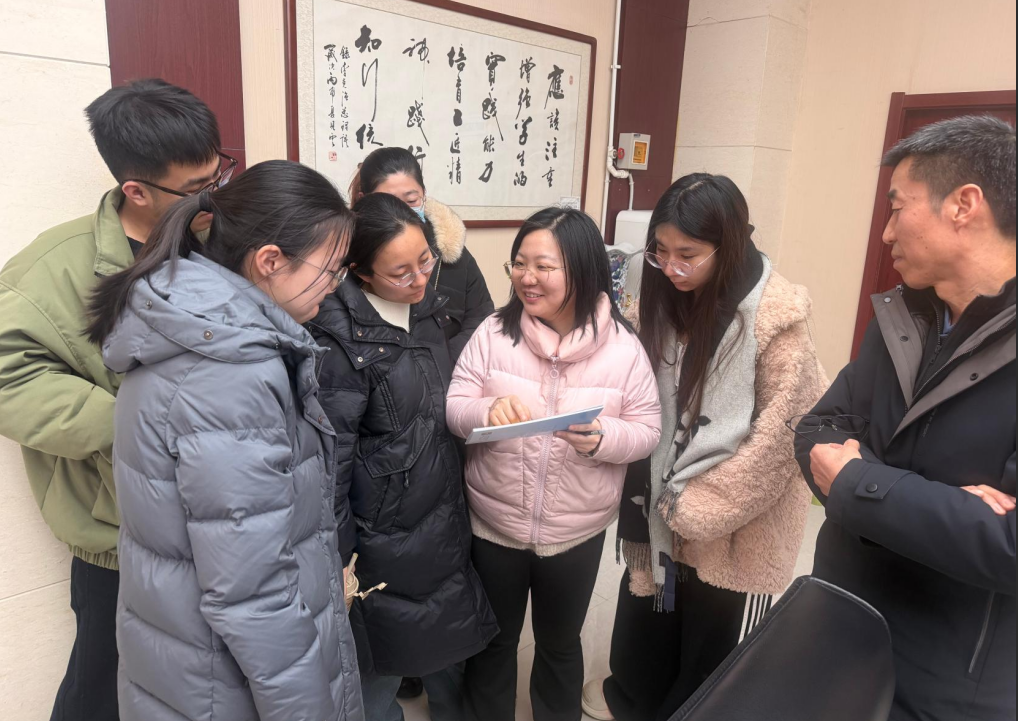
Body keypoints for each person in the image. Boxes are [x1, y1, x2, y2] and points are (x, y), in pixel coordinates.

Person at [83, 160, 364, 721]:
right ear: (270, 261)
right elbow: (252, 592)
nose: (336, 287)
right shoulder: (230, 374)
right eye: (330, 270)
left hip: (194, 667)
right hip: (225, 686)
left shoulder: (194, 327)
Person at [0, 78, 226, 721]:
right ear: (136, 190)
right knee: (102, 683)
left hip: (220, 518)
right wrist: (130, 422)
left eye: (219, 174)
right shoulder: (55, 267)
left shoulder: (221, 241)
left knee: (201, 683)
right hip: (120, 532)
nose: (214, 197)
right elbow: (8, 376)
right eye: (197, 187)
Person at [795, 115, 1016, 721]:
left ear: (964, 205)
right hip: (839, 624)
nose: (887, 232)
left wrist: (858, 481)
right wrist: (945, 509)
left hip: (947, 680)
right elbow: (817, 429)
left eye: (897, 208)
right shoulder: (905, 317)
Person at [582, 174, 825, 721]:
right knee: (649, 613)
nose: (671, 267)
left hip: (733, 519)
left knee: (711, 640)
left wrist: (702, 506)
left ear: (728, 244)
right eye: (661, 251)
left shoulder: (776, 320)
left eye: (687, 255)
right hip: (664, 504)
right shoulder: (664, 296)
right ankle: (636, 699)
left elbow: (782, 440)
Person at [446, 207, 662, 721]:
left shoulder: (624, 350)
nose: (527, 277)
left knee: (560, 644)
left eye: (543, 266)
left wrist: (604, 438)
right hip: (494, 523)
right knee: (494, 642)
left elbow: (648, 429)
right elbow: (455, 404)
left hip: (575, 531)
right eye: (519, 263)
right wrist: (485, 410)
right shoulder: (494, 333)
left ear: (582, 270)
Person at [309, 192, 498, 721]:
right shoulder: (338, 339)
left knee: (441, 642)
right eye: (401, 272)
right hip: (383, 531)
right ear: (360, 273)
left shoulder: (426, 311)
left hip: (435, 509)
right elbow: (332, 460)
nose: (420, 280)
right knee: (380, 663)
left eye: (425, 261)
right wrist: (340, 553)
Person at [350, 147, 494, 364]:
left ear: (423, 194)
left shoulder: (451, 250)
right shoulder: (348, 259)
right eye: (400, 273)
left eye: (411, 201)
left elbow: (481, 316)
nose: (401, 212)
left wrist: (442, 363)